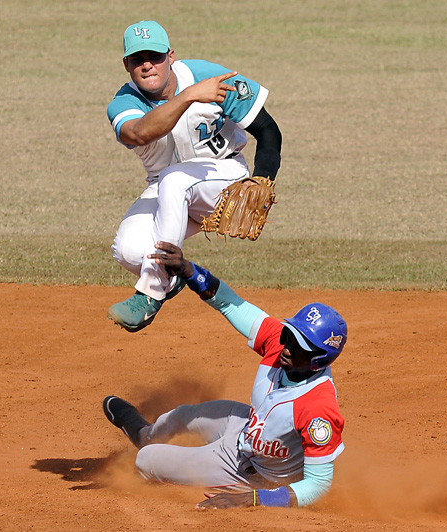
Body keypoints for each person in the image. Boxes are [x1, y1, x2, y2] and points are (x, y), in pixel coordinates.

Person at [103, 242, 347, 509]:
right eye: (290, 335)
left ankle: (165, 457)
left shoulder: (318, 409)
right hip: (244, 426)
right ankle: (145, 434)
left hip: (251, 474)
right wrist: (187, 270)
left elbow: (319, 485)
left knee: (145, 461)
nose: (286, 346)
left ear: (317, 361)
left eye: (299, 345)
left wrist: (255, 498)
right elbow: (230, 304)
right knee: (181, 416)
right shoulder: (280, 343)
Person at [106, 20, 282, 333]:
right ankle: (170, 275)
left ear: (170, 56)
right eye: (137, 60)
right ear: (126, 65)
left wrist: (262, 180)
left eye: (155, 56)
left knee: (176, 179)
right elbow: (140, 132)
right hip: (168, 190)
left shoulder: (207, 76)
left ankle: (150, 292)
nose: (148, 65)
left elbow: (268, 130)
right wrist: (188, 97)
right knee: (128, 249)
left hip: (224, 179)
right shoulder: (124, 103)